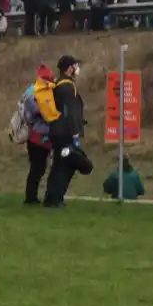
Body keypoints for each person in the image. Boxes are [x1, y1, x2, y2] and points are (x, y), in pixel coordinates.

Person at [44, 55, 92, 208]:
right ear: (69, 68)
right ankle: (55, 199)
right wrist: (74, 132)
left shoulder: (60, 84)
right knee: (64, 167)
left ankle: (52, 197)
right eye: (74, 65)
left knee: (59, 165)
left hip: (58, 131)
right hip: (64, 132)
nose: (76, 68)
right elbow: (69, 111)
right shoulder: (67, 86)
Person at [22, 64, 56, 204]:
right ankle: (31, 197)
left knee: (38, 168)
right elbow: (41, 112)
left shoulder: (33, 91)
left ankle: (32, 196)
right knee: (38, 168)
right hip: (38, 137)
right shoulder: (34, 94)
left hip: (39, 136)